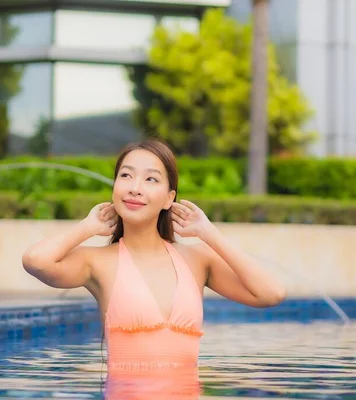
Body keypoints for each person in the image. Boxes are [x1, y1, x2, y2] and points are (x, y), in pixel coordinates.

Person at [22, 138, 286, 399]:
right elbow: (35, 260)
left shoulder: (196, 260)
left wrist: (211, 235)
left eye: (151, 179)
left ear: (169, 198)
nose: (135, 188)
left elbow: (271, 293)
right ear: (115, 187)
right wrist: (87, 227)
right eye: (126, 175)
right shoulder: (98, 262)